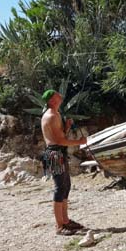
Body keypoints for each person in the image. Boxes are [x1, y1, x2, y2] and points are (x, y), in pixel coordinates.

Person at [40, 89, 87, 235]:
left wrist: (66, 128)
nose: (60, 96)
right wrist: (79, 141)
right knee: (60, 188)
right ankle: (59, 226)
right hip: (54, 154)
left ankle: (65, 221)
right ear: (52, 100)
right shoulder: (52, 116)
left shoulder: (57, 114)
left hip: (59, 152)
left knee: (66, 186)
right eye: (56, 95)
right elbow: (59, 141)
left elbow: (60, 136)